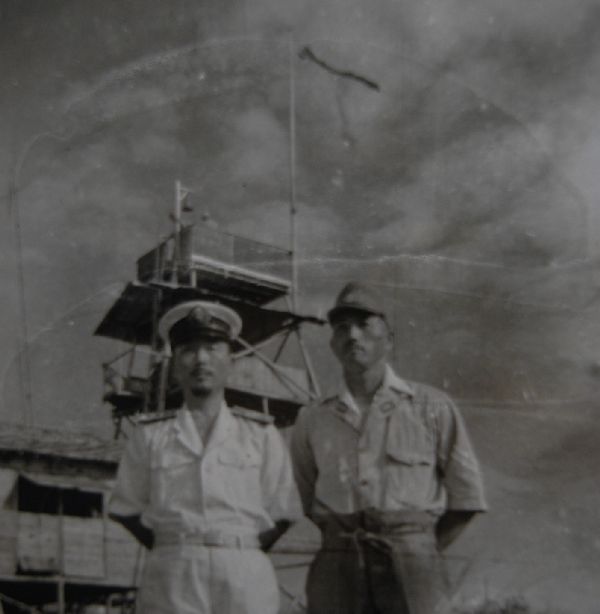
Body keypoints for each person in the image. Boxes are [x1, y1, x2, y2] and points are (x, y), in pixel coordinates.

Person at [290, 282, 488, 614]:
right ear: (333, 343)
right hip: (338, 568)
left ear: (389, 339)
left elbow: (466, 498)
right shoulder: (312, 418)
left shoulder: (431, 406)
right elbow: (305, 499)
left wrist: (417, 547)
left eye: (364, 324)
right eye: (342, 327)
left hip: (413, 566)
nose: (353, 335)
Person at [109, 300, 301, 614]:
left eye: (212, 348)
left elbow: (284, 512)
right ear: (174, 366)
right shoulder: (150, 435)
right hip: (173, 571)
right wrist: (176, 545)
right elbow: (126, 508)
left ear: (230, 361)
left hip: (244, 569)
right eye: (188, 350)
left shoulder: (261, 434)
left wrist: (237, 546)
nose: (201, 359)